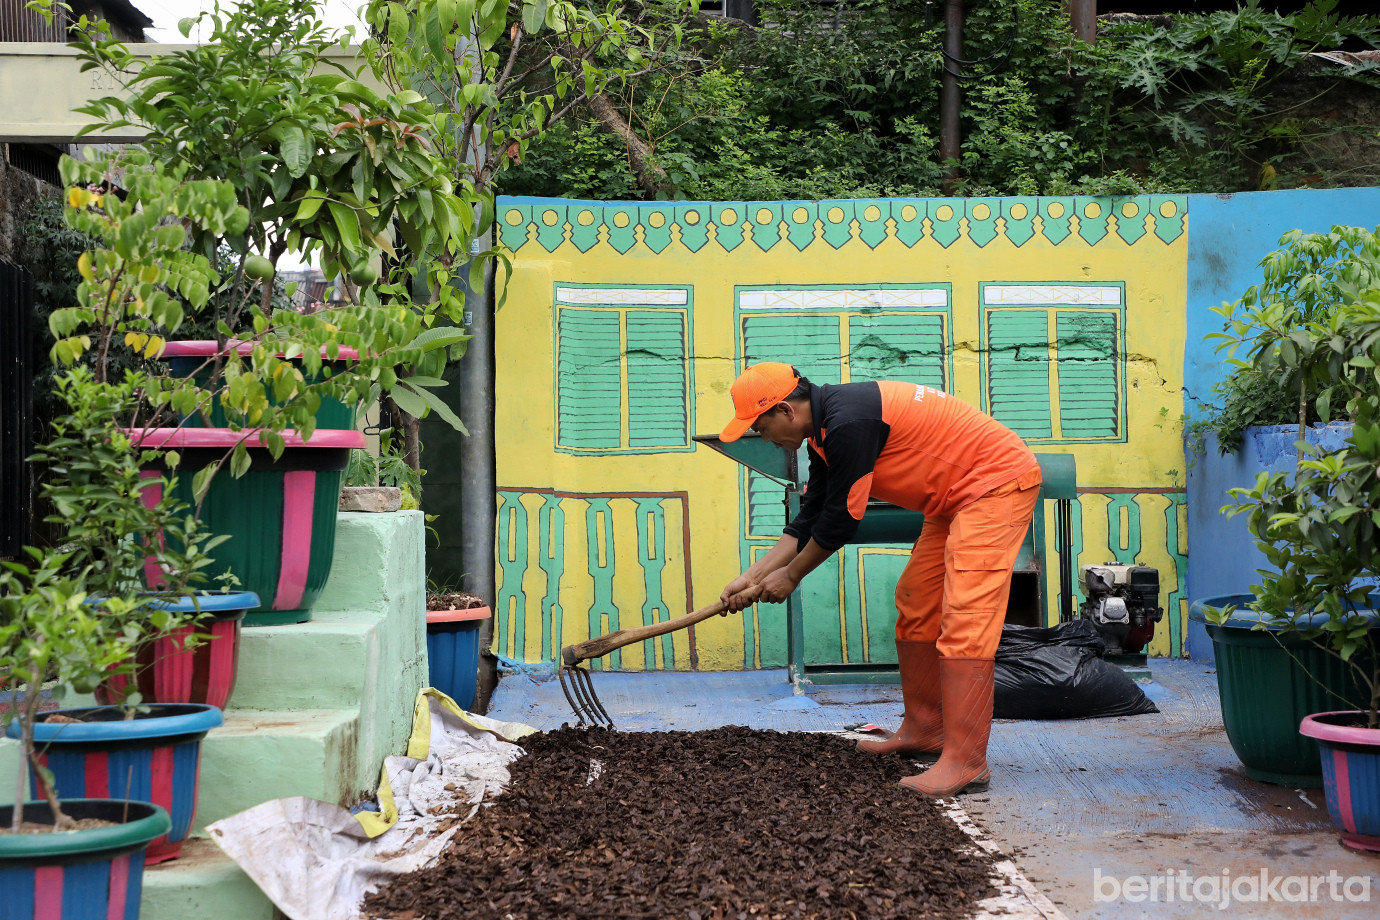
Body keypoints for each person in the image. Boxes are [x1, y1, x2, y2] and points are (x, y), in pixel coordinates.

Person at [718, 362, 1041, 797]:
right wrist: (753, 575)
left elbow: (840, 521)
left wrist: (790, 578)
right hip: (951, 500)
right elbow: (812, 514)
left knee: (965, 622)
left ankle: (967, 762)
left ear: (786, 411)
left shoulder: (850, 422)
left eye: (761, 426)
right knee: (916, 600)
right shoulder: (823, 432)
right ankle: (926, 730)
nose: (766, 438)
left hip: (994, 486)